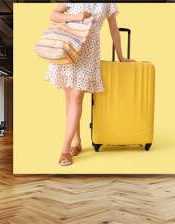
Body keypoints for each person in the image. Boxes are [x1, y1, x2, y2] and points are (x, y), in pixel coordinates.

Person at [46, 3, 134, 166]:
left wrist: (121, 56)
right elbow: (53, 15)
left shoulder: (108, 3)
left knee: (76, 97)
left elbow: (114, 29)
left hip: (89, 52)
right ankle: (76, 141)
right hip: (69, 46)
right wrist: (75, 17)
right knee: (70, 99)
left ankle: (64, 149)